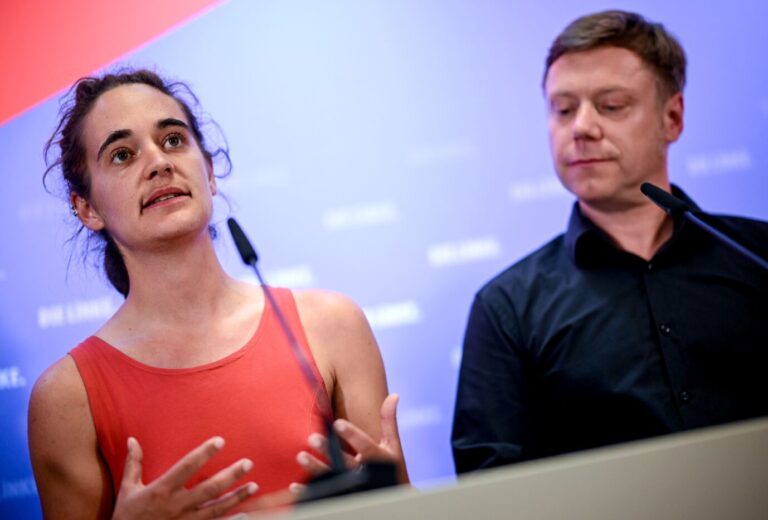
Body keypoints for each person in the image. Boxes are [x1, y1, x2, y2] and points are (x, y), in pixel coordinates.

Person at [28, 69, 408, 519]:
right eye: (123, 154)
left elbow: (402, 508)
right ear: (86, 208)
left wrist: (398, 494)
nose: (159, 163)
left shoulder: (331, 325)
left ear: (209, 172)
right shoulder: (66, 398)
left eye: (173, 140)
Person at [452, 10, 768, 473]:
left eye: (611, 105)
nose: (581, 127)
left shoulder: (756, 257)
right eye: (563, 109)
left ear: (673, 118)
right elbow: (489, 485)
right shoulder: (507, 308)